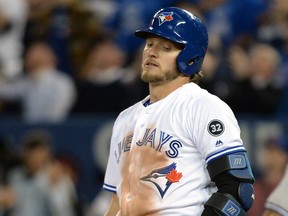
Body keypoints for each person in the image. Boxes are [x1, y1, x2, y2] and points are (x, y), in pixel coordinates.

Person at [103, 7, 255, 215]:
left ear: (191, 57)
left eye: (166, 47)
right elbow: (116, 202)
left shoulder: (203, 106)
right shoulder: (125, 118)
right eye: (149, 44)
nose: (151, 52)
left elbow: (238, 189)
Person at [262, 136, 288, 216]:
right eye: (269, 151)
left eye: (276, 152)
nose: (271, 156)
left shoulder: (285, 188)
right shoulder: (255, 187)